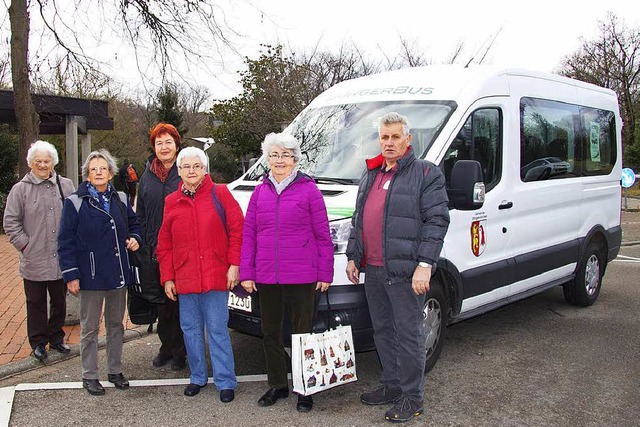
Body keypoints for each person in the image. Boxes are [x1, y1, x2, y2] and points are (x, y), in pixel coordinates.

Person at [345, 112, 450, 423]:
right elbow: (358, 220)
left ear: (408, 140)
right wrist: (354, 256)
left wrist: (425, 265)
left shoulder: (426, 173)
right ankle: (391, 386)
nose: (389, 142)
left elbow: (437, 221)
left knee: (409, 336)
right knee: (383, 331)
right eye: (384, 137)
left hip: (406, 272)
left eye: (395, 137)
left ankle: (412, 398)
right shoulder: (372, 173)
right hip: (374, 270)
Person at [240, 132, 334, 413]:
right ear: (267, 159)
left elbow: (322, 235)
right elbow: (250, 235)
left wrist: (325, 273)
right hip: (267, 276)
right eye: (275, 155)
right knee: (269, 332)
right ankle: (278, 384)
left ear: (295, 159)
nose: (280, 160)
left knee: (302, 333)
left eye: (286, 155)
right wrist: (248, 271)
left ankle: (306, 388)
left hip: (303, 275)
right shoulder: (260, 192)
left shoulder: (309, 190)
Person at [156, 146, 244, 403]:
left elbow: (238, 230)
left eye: (196, 166)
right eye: (186, 167)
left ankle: (225, 380)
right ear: (179, 171)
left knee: (217, 329)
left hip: (216, 275)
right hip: (186, 278)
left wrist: (234, 264)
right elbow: (165, 245)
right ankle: (197, 377)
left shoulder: (221, 193)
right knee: (190, 330)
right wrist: (168, 277)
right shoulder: (172, 201)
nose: (191, 171)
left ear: (204, 169)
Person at [57, 149, 141, 396]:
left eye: (102, 168)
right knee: (90, 328)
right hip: (90, 276)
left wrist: (135, 238)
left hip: (117, 274)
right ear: (86, 174)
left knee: (116, 325)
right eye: (93, 169)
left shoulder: (122, 199)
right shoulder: (75, 202)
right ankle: (89, 375)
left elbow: (134, 224)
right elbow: (65, 241)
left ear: (111, 172)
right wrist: (71, 274)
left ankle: (115, 370)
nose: (98, 172)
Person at [3, 140, 76, 361]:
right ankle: (37, 342)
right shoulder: (20, 190)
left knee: (59, 300)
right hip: (33, 258)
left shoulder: (66, 186)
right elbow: (10, 222)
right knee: (35, 302)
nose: (43, 165)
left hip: (60, 258)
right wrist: (25, 245)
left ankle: (56, 338)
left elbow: (76, 218)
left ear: (53, 162)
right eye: (38, 161)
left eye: (47, 161)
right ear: (30, 163)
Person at [136, 123, 187, 370]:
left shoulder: (186, 171)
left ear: (177, 145)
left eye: (168, 142)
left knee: (179, 304)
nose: (164, 147)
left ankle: (181, 351)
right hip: (155, 251)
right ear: (153, 147)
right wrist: (145, 243)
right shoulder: (147, 176)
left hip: (183, 251)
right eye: (159, 143)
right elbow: (141, 213)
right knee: (162, 304)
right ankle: (166, 347)